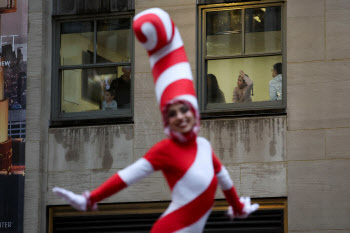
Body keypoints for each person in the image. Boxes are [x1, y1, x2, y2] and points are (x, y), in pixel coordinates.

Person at [53, 8, 259, 233]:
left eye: (184, 110)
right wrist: (90, 198)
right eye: (172, 114)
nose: (180, 116)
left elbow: (225, 180)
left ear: (194, 112)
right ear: (166, 121)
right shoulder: (165, 150)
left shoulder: (204, 147)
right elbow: (127, 176)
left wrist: (237, 206)